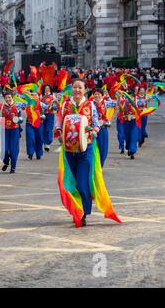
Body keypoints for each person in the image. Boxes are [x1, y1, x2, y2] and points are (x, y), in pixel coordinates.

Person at [55, 79, 102, 227]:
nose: (76, 90)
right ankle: (77, 209)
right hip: (69, 151)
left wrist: (94, 131)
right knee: (71, 184)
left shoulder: (90, 105)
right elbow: (58, 123)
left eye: (79, 87)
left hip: (85, 149)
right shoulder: (65, 105)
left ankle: (83, 212)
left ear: (85, 90)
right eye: (74, 87)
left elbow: (95, 123)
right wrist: (59, 133)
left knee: (82, 183)